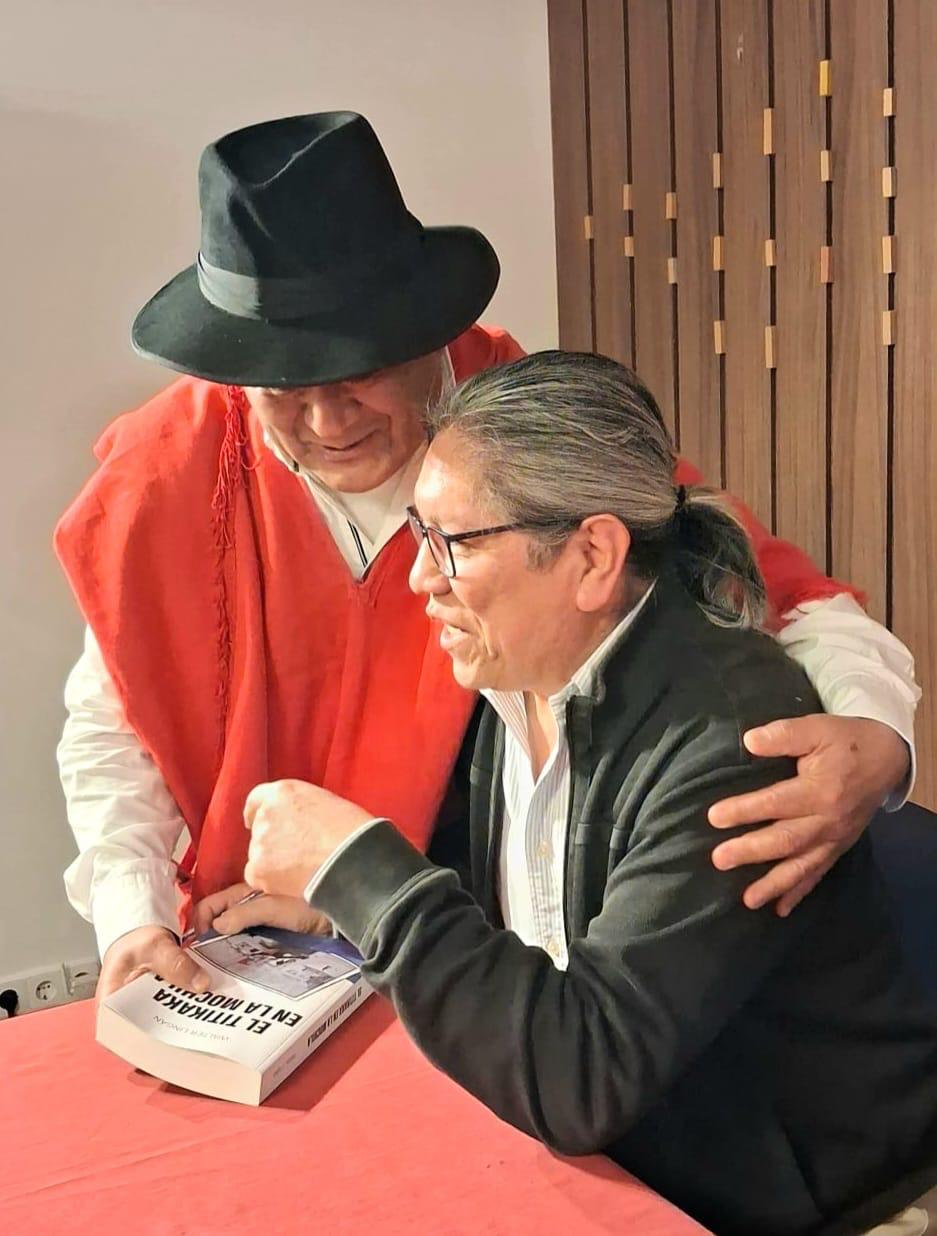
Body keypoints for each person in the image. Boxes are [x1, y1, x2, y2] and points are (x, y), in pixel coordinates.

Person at [56, 112, 918, 1003]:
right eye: (285, 389)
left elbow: (773, 587)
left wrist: (877, 737)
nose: (328, 422)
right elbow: (116, 718)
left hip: (477, 936)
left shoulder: (519, 426)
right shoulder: (163, 472)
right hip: (254, 932)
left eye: (360, 372)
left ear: (427, 329)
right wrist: (132, 913)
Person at [242, 351, 937, 1236]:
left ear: (593, 556)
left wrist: (357, 870)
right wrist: (337, 901)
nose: (422, 577)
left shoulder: (733, 745)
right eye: (418, 532)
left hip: (803, 1203)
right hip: (632, 1156)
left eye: (454, 543)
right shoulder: (513, 679)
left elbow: (581, 1077)